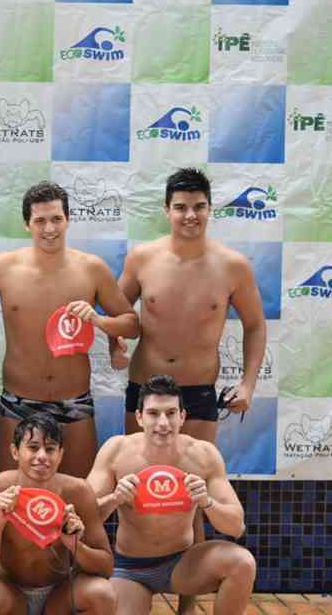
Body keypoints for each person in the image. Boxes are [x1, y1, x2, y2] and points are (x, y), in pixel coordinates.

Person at [108, 168, 265, 614]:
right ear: (167, 210)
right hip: (145, 390)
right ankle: (131, 576)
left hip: (198, 393)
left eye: (198, 207)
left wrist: (248, 383)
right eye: (181, 207)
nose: (190, 215)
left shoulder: (232, 266)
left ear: (210, 209)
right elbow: (120, 314)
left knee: (194, 495)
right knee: (134, 487)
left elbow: (255, 325)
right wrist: (116, 347)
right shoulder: (142, 258)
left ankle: (188, 603)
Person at [0, 182, 139, 476]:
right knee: (15, 495)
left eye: (56, 219)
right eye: (40, 221)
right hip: (19, 402)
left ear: (68, 219)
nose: (49, 228)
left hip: (74, 402)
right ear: (27, 224)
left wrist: (101, 323)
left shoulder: (92, 269)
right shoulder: (1, 268)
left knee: (77, 495)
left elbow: (132, 323)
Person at [87, 375, 256, 615]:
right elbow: (83, 519)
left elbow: (237, 526)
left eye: (171, 413)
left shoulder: (203, 455)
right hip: (130, 568)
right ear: (139, 417)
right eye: (153, 413)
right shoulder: (116, 451)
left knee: (243, 563)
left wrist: (207, 502)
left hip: (182, 564)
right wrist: (114, 499)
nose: (163, 423)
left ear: (182, 416)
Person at [0, 415, 116, 615]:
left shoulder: (79, 491)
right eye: (33, 447)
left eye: (50, 449)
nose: (42, 456)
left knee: (102, 593)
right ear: (15, 452)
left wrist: (74, 545)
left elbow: (105, 568)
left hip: (59, 597)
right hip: (10, 596)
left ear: (60, 454)